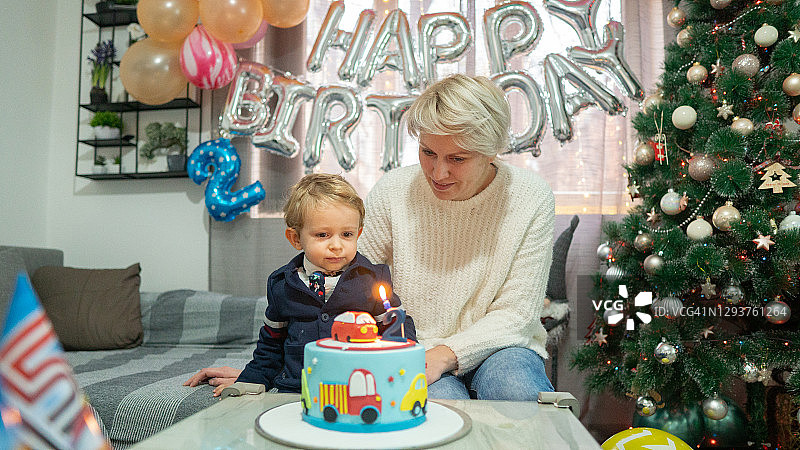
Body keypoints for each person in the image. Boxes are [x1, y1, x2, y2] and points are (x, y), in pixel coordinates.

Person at [358, 74, 555, 400]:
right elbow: (353, 283)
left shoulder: (531, 197)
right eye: (428, 152)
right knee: (441, 407)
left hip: (501, 345)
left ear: (492, 150)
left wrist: (447, 353)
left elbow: (517, 314)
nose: (438, 173)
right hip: (410, 344)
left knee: (517, 392)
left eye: (457, 159)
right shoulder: (393, 191)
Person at [184, 173, 415, 396]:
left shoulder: (373, 279)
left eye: (346, 234)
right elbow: (270, 345)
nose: (337, 245)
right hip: (295, 388)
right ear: (296, 239)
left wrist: (401, 369)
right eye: (323, 235)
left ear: (359, 234)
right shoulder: (281, 285)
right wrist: (251, 379)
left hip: (356, 388)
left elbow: (399, 331)